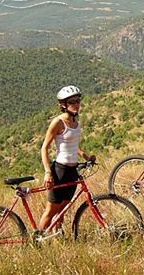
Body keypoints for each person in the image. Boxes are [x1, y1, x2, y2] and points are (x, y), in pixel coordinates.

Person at [38, 85, 95, 232]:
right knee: (50, 211)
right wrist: (47, 172)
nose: (76, 104)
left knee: (63, 209)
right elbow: (44, 148)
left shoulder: (76, 122)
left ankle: (58, 237)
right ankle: (36, 240)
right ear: (63, 105)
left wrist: (86, 156)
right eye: (72, 102)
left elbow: (73, 143)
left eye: (78, 101)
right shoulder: (58, 122)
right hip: (60, 171)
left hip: (72, 171)